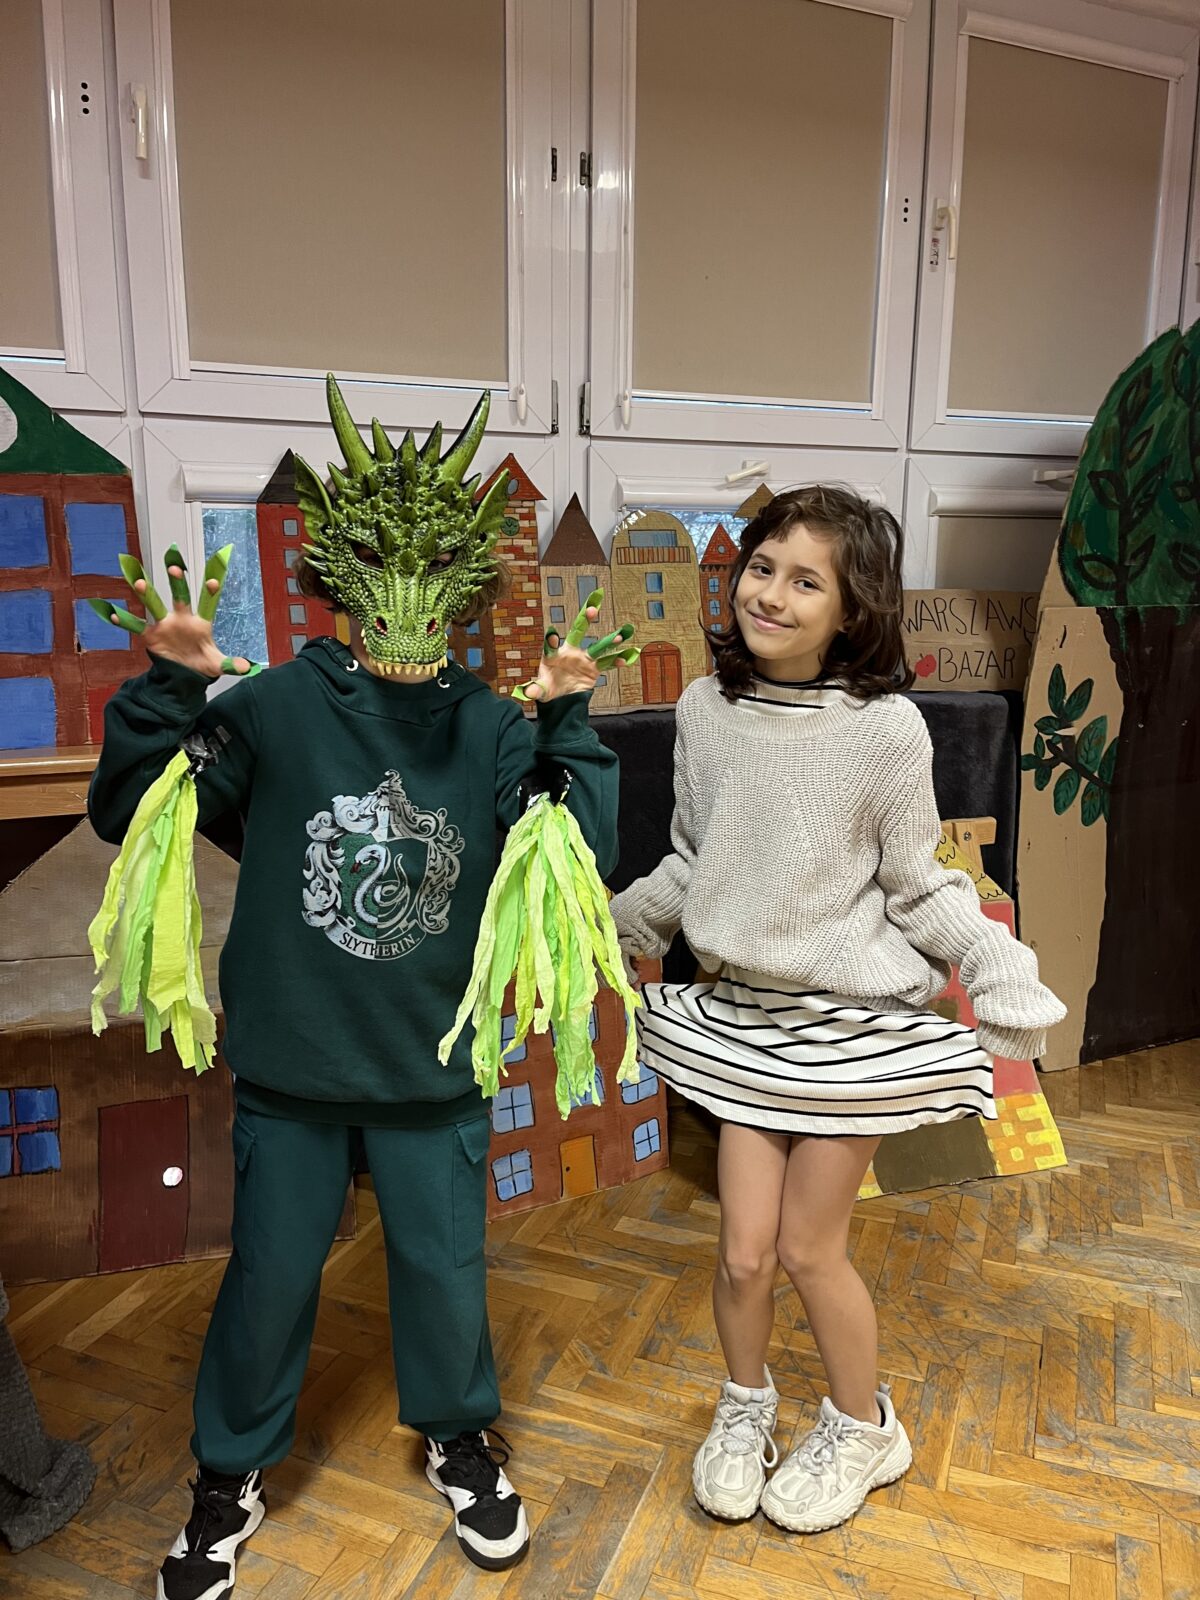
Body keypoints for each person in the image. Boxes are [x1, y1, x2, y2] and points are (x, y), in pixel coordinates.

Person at [88, 382, 632, 1597]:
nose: (406, 593)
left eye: (430, 570)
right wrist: (169, 690)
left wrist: (568, 723)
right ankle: (228, 1471)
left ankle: (458, 1435)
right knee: (270, 1275)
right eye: (382, 566)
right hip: (294, 1065)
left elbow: (582, 853)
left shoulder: (493, 726)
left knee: (443, 1271)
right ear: (339, 573)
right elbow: (132, 812)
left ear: (463, 585)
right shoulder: (275, 706)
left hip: (429, 1066)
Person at [610, 485, 1064, 1535]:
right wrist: (612, 925)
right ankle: (745, 1406)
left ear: (852, 608)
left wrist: (995, 963)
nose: (770, 594)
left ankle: (866, 1427)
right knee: (742, 1252)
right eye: (762, 568)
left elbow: (920, 881)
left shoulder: (886, 730)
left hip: (850, 1030)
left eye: (805, 580)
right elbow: (694, 858)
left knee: (810, 1251)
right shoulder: (705, 710)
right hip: (744, 1019)